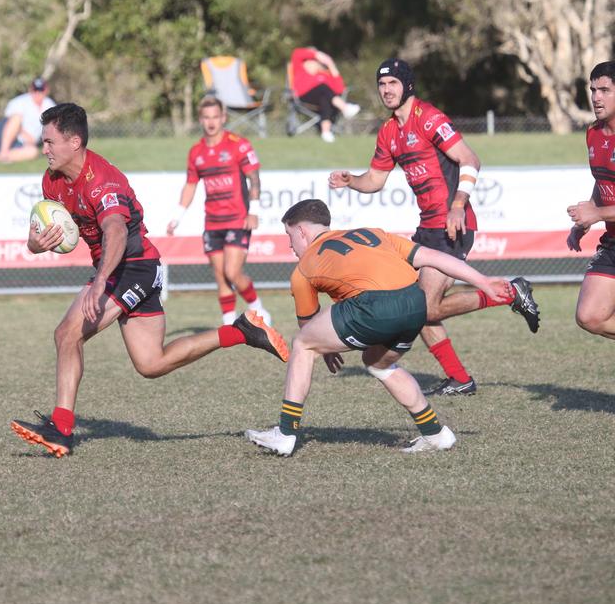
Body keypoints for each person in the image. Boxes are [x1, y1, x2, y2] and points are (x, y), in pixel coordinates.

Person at [9, 103, 290, 457]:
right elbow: (58, 233)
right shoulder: (52, 181)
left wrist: (100, 283)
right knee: (151, 364)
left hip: (134, 266)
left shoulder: (103, 180)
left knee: (68, 333)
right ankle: (242, 331)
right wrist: (36, 244)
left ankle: (61, 429)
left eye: (49, 141)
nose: (43, 148)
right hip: (118, 269)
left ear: (75, 141)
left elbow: (115, 231)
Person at [328, 58, 540, 397]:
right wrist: (350, 180)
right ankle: (460, 378)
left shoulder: (428, 117)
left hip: (452, 225)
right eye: (382, 85)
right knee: (418, 306)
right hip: (427, 228)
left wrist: (457, 206)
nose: (387, 90)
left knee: (424, 307)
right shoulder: (388, 132)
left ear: (407, 85)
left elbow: (470, 160)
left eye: (393, 83)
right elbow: (375, 180)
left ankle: (510, 292)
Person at [244, 199, 512, 456]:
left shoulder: (303, 268)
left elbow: (308, 327)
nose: (290, 245)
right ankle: (436, 434)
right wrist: (484, 281)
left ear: (301, 231)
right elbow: (434, 257)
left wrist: (324, 349)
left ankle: (285, 433)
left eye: (289, 236)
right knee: (379, 364)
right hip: (414, 303)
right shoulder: (374, 234)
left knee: (302, 344)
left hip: (373, 306)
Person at [166, 95, 271, 325]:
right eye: (206, 117)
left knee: (232, 272)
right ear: (200, 120)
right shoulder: (196, 152)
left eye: (215, 116)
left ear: (223, 117)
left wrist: (254, 210)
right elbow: (191, 185)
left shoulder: (238, 144)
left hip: (238, 219)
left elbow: (254, 177)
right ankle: (229, 323)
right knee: (220, 275)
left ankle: (258, 309)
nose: (211, 122)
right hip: (212, 222)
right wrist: (177, 217)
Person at [567, 60, 615, 340]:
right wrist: (586, 220)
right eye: (593, 89)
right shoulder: (593, 133)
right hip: (612, 240)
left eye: (605, 90)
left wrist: (597, 214)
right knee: (589, 316)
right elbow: (602, 180)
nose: (596, 97)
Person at [289, 47, 361, 143]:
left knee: (325, 97)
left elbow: (339, 89)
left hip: (323, 101)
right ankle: (345, 108)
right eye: (309, 60)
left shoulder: (324, 75)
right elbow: (297, 53)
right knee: (323, 88)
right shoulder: (300, 69)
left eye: (315, 61)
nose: (312, 63)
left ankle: (325, 132)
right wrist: (317, 54)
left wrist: (331, 65)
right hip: (304, 98)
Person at [0, 77, 56, 163]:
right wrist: (25, 135)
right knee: (16, 118)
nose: (38, 93)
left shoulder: (50, 105)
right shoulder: (19, 101)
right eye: (35, 90)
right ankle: (4, 150)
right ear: (31, 90)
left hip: (23, 144)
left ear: (46, 91)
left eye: (41, 90)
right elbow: (10, 122)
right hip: (3, 136)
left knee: (33, 152)